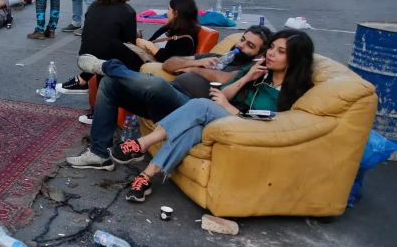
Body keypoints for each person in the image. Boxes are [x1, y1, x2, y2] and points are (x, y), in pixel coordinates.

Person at [109, 30, 315, 202]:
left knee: (201, 105)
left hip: (251, 128)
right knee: (193, 130)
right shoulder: (260, 71)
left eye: (280, 52)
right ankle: (146, 177)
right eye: (271, 48)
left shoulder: (294, 91)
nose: (271, 54)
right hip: (227, 119)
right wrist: (246, 79)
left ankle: (142, 143)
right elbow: (223, 95)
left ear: (294, 58)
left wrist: (229, 108)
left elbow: (274, 124)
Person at [66, 26, 273, 169]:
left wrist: (194, 67)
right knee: (111, 84)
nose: (241, 46)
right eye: (242, 40)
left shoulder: (246, 71)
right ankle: (99, 154)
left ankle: (108, 66)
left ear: (260, 55)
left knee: (155, 83)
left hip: (188, 109)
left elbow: (219, 77)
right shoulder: (218, 58)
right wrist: (197, 62)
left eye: (249, 46)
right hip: (166, 98)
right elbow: (169, 64)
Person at [58, 0, 139, 94]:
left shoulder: (94, 6)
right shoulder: (127, 11)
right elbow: (129, 43)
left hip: (86, 56)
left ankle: (83, 79)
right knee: (136, 56)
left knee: (106, 45)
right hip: (108, 58)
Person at [133, 0, 201, 62]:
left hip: (154, 65)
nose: (167, 12)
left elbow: (170, 61)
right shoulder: (170, 27)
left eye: (169, 9)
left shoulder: (185, 39)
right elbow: (152, 41)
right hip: (146, 56)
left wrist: (150, 46)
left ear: (176, 13)